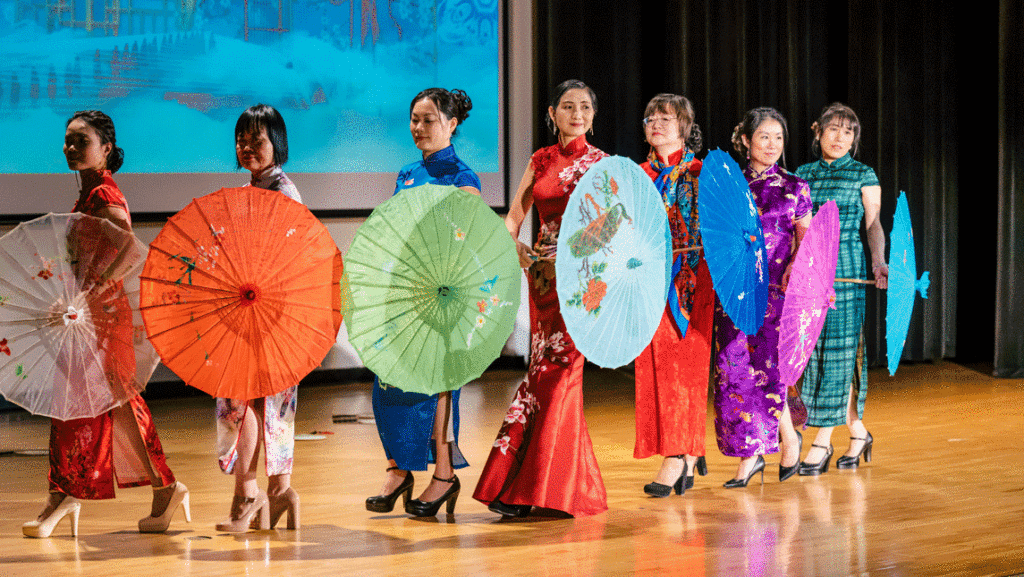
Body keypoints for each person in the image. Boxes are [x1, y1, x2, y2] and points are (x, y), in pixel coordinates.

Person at [23, 110, 188, 538]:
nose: (71, 148)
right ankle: (163, 487)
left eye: (82, 141)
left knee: (80, 402)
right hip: (92, 312)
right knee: (112, 401)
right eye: (68, 140)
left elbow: (129, 248)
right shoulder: (90, 194)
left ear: (106, 149)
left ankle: (63, 495)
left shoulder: (104, 193)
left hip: (102, 314)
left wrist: (92, 288)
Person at [473, 79, 608, 518]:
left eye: (585, 107)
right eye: (568, 106)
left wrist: (572, 249)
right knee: (540, 375)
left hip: (584, 283)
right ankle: (558, 487)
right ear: (552, 114)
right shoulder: (541, 159)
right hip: (543, 283)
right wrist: (514, 246)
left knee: (559, 377)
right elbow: (514, 216)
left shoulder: (603, 165)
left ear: (593, 114)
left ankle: (532, 487)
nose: (577, 114)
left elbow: (611, 226)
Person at [365, 88, 479, 518]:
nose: (419, 127)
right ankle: (398, 468)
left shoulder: (463, 178)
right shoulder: (406, 173)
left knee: (437, 386)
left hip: (443, 294)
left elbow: (466, 238)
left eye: (428, 119)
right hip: (404, 292)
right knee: (388, 381)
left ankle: (444, 475)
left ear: (451, 125)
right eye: (414, 118)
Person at [713, 107, 811, 487]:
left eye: (778, 137)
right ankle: (753, 455)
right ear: (746, 141)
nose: (772, 145)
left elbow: (805, 238)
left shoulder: (795, 186)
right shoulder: (728, 184)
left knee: (769, 372)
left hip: (775, 292)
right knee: (734, 373)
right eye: (764, 137)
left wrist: (793, 268)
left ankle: (783, 444)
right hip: (734, 290)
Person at [214, 104, 301, 531]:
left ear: (277, 143)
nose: (247, 147)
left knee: (239, 399)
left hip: (269, 311)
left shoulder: (283, 193)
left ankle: (247, 494)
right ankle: (281, 491)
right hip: (257, 309)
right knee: (271, 404)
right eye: (241, 140)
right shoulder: (252, 190)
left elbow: (286, 257)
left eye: (258, 140)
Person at [795, 102, 887, 475]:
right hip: (808, 270)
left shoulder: (864, 174)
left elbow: (874, 224)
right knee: (813, 353)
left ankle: (822, 441)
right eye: (833, 129)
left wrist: (879, 260)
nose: (840, 138)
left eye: (848, 132)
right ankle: (859, 432)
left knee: (839, 352)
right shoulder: (801, 174)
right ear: (817, 131)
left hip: (846, 270)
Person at [633, 94, 714, 497]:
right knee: (655, 371)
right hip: (649, 285)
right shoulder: (638, 175)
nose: (657, 124)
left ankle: (678, 455)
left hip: (691, 285)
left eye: (666, 118)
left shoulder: (703, 172)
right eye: (651, 118)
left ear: (685, 126)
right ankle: (682, 450)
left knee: (685, 371)